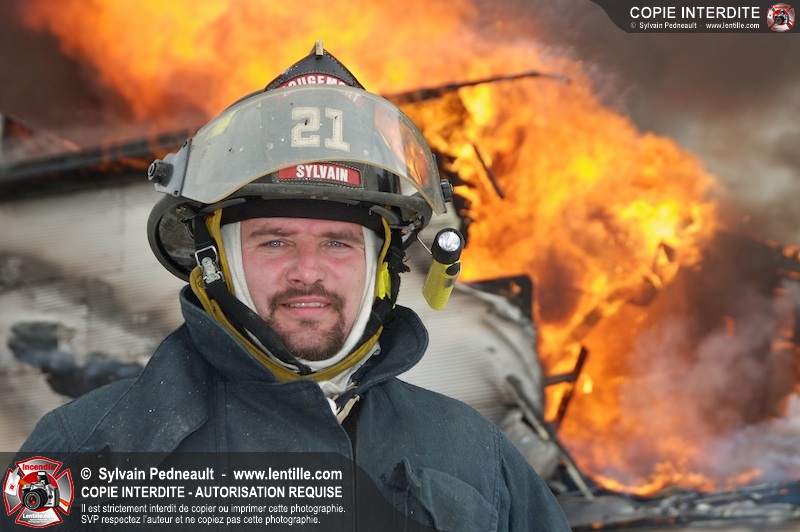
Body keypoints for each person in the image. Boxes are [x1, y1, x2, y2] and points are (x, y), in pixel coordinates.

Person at [18, 43, 571, 530]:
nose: (308, 271)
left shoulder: (476, 460)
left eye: (338, 243)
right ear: (216, 261)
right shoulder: (81, 452)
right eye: (275, 242)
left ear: (382, 266)